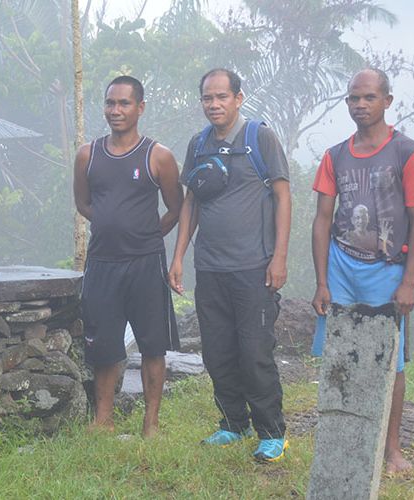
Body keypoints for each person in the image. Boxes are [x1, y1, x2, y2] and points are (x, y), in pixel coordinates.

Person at [311, 68, 414, 474]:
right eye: (353, 98)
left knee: (391, 363)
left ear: (387, 101)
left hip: (386, 268)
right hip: (342, 265)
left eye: (368, 98)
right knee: (339, 355)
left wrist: (409, 282)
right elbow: (322, 220)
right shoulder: (335, 155)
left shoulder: (407, 153)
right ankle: (340, 440)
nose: (360, 105)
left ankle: (391, 447)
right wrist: (322, 281)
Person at [168, 68, 292, 462]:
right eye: (208, 97)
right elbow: (192, 201)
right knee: (217, 352)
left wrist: (279, 258)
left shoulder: (260, 137)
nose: (214, 104)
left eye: (222, 96)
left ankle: (272, 433)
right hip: (211, 268)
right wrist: (178, 256)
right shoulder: (199, 143)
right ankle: (232, 424)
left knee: (254, 351)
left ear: (238, 98)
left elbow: (284, 197)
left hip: (254, 267)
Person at [74, 75, 183, 438]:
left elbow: (175, 208)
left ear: (140, 107)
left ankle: (150, 424)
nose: (115, 110)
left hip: (146, 264)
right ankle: (102, 420)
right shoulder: (88, 154)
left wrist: (145, 235)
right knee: (104, 344)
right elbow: (84, 204)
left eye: (123, 103)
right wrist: (110, 225)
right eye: (110, 103)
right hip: (102, 263)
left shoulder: (158, 156)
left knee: (153, 344)